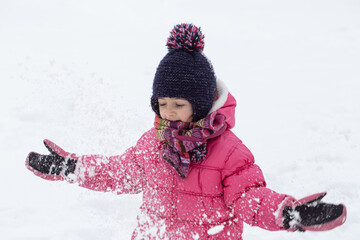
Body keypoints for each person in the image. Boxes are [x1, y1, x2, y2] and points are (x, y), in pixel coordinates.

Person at [26, 23, 347, 239]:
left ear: (202, 102)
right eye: (162, 103)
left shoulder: (230, 153)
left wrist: (287, 213)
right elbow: (117, 173)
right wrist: (71, 168)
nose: (169, 112)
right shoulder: (153, 144)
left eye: (178, 104)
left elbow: (250, 198)